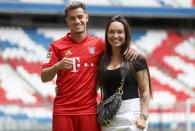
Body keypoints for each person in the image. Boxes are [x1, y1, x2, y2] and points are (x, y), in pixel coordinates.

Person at [41, 1, 139, 131]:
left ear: (86, 18)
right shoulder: (55, 46)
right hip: (63, 111)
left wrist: (131, 48)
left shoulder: (98, 45)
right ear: (67, 21)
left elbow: (117, 48)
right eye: (72, 18)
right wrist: (58, 66)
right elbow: (44, 77)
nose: (77, 21)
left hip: (90, 111)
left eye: (80, 17)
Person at [97, 15, 152, 131]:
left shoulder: (136, 59)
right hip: (108, 117)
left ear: (126, 34)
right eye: (111, 32)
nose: (115, 36)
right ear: (107, 35)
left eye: (120, 32)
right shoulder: (101, 59)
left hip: (132, 115)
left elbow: (145, 91)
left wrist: (143, 117)